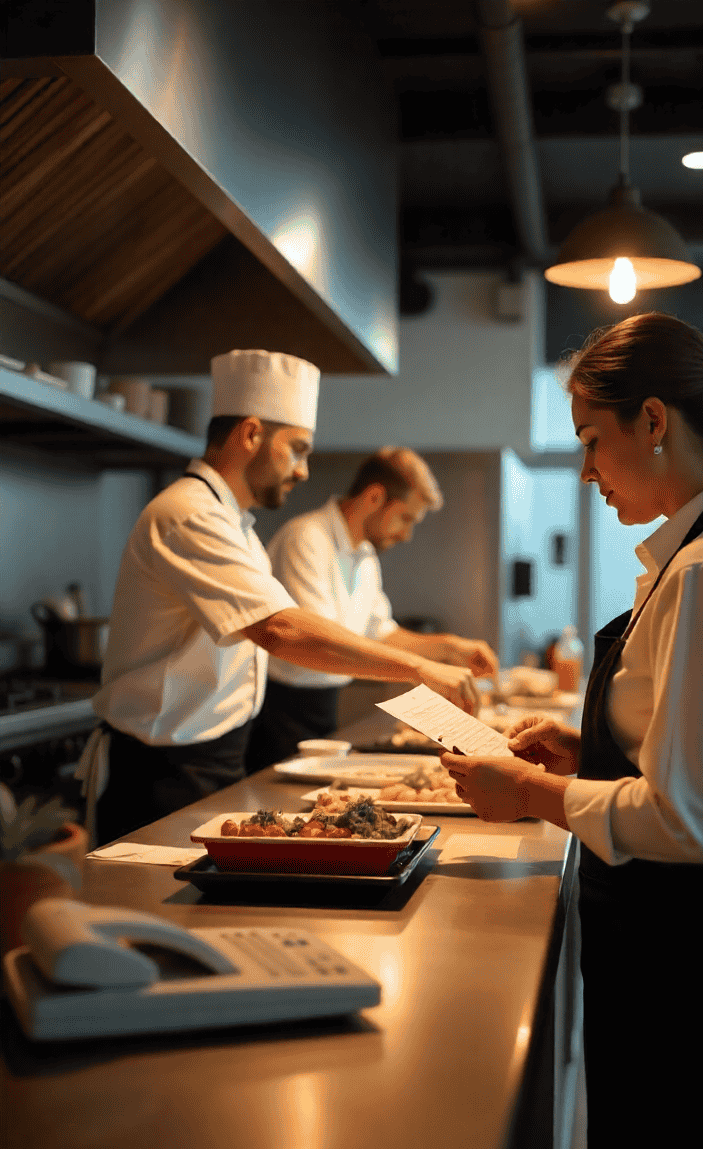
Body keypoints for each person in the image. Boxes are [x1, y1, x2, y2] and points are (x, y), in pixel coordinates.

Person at [441, 313, 703, 1149]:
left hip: (701, 976)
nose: (584, 469)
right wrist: (594, 755)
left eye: (590, 438)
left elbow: (692, 823)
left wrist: (530, 792)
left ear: (652, 421)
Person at [79, 350, 480, 846]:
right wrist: (421, 670)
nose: (304, 471)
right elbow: (280, 629)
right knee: (151, 917)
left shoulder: (235, 528)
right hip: (161, 768)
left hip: (214, 756)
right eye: (297, 449)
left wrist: (444, 652)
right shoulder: (189, 514)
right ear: (250, 435)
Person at [245, 447, 499, 769]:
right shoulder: (306, 538)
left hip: (324, 706)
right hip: (281, 710)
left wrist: (449, 648)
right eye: (405, 518)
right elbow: (325, 647)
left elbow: (381, 633)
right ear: (375, 498)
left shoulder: (365, 555)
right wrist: (420, 668)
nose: (407, 535)